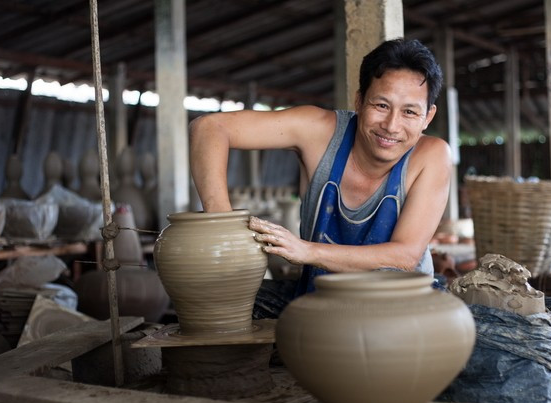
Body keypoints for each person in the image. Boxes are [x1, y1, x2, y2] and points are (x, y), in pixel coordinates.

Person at [189, 38, 451, 316]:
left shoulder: (431, 155)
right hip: (320, 303)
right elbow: (208, 128)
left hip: (403, 312)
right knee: (214, 304)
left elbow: (404, 257)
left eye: (409, 112)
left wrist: (306, 251)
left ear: (427, 117)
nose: (391, 126)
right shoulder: (319, 132)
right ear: (360, 101)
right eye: (381, 106)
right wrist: (222, 227)